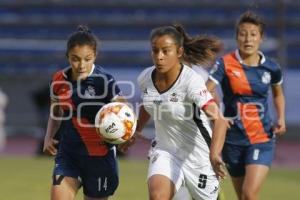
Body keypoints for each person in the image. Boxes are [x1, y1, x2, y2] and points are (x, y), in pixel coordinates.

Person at [120, 24, 227, 200]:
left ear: (179, 52)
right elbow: (148, 104)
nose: (159, 57)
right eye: (155, 51)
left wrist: (214, 155)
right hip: (165, 151)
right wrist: (135, 130)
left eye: (165, 51)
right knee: (157, 196)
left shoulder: (191, 81)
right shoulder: (145, 78)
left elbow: (220, 120)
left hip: (198, 157)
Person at [207, 11, 286, 200]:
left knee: (249, 194)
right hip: (233, 139)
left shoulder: (272, 68)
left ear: (261, 37)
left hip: (261, 137)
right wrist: (218, 116)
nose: (248, 39)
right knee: (242, 197)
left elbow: (278, 93)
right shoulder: (225, 63)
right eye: (243, 33)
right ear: (237, 37)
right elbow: (206, 91)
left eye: (253, 34)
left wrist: (281, 117)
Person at [43, 25, 125, 200]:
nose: (81, 65)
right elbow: (55, 112)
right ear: (67, 57)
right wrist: (48, 137)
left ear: (94, 56)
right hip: (68, 153)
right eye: (75, 59)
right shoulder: (58, 80)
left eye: (87, 59)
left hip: (99, 157)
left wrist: (124, 134)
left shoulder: (105, 80)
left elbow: (123, 113)